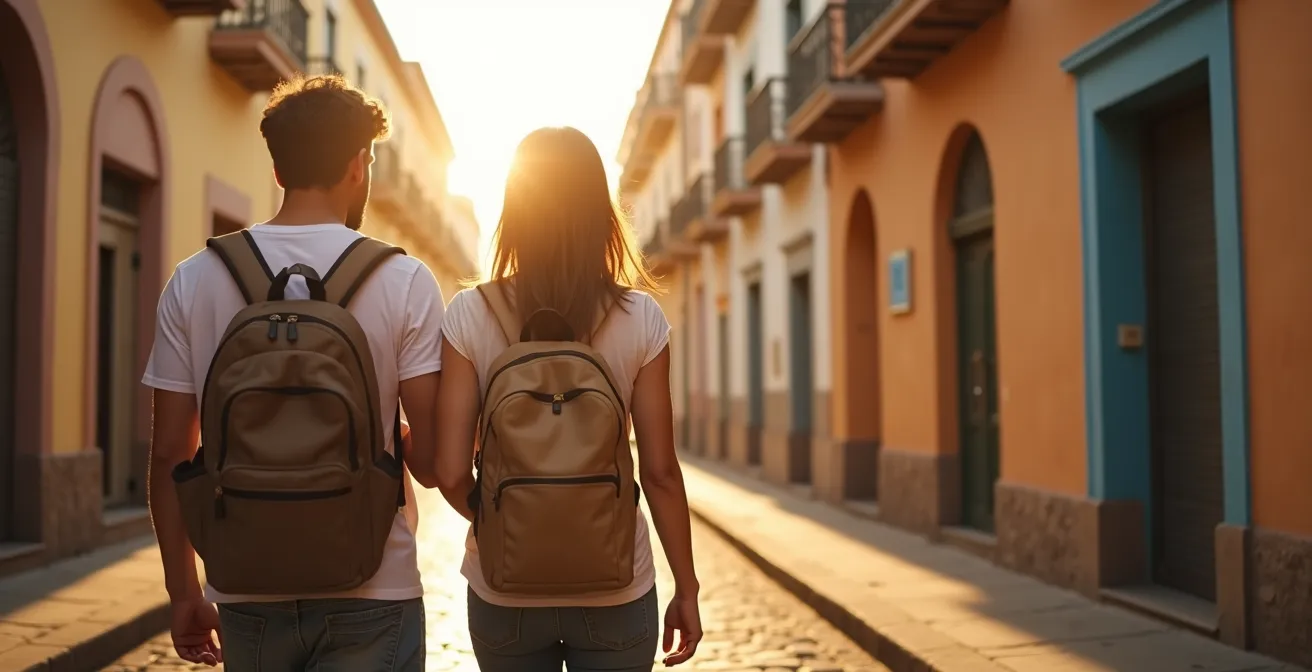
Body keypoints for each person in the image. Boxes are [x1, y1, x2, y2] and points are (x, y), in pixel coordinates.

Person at [141, 74, 443, 670]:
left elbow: (171, 454)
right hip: (374, 586)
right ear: (360, 165)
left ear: (277, 170)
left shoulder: (195, 278)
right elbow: (431, 464)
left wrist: (184, 593)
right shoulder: (404, 281)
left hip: (247, 587)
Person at [431, 126, 702, 671]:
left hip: (504, 592)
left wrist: (506, 522)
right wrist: (687, 586)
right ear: (599, 211)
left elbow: (452, 470)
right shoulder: (639, 318)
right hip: (617, 589)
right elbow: (661, 473)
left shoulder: (470, 313)